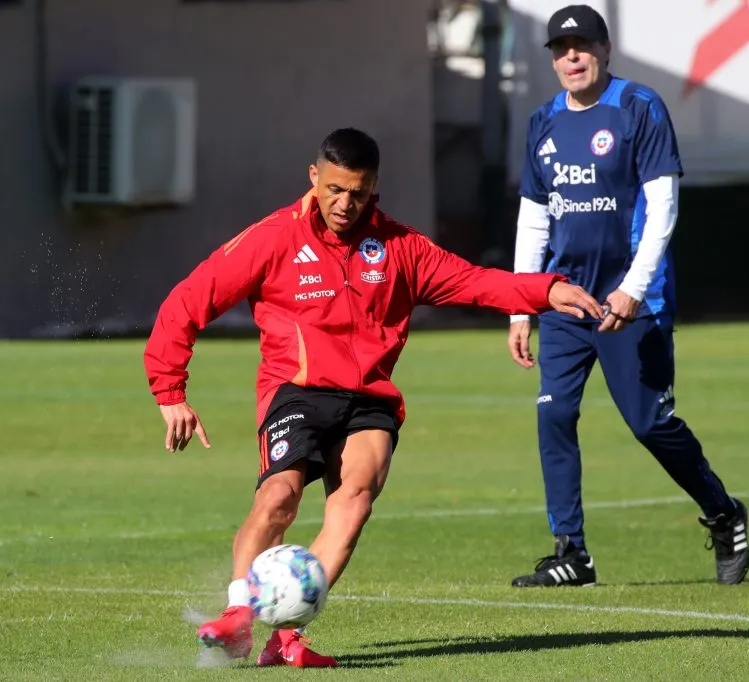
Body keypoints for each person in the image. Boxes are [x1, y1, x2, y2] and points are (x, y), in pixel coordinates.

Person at [143, 127, 604, 667]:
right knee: (278, 500)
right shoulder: (274, 239)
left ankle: (286, 640)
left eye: (357, 193)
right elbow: (188, 300)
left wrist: (545, 290)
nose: (344, 204)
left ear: (374, 187)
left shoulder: (399, 248)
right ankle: (239, 614)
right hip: (296, 392)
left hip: (369, 401)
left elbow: (475, 281)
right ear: (314, 178)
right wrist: (170, 390)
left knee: (354, 501)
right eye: (334, 189)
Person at [507, 4, 749, 588]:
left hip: (633, 305)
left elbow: (663, 208)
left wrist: (634, 290)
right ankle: (572, 553)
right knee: (554, 415)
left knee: (649, 424)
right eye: (561, 48)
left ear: (604, 49)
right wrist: (521, 303)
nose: (572, 56)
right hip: (566, 302)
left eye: (582, 45)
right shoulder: (542, 121)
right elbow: (534, 220)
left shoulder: (638, 107)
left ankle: (723, 512)